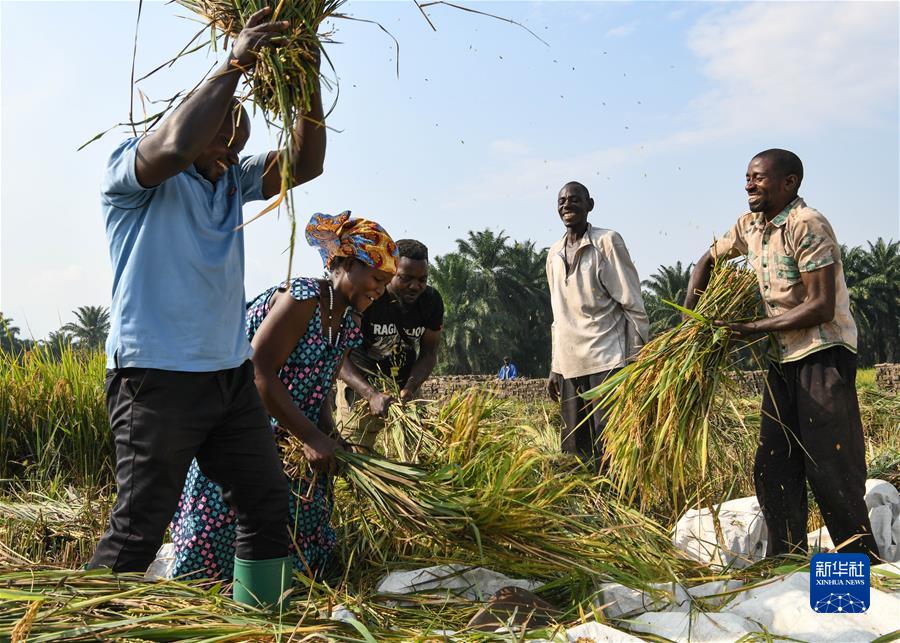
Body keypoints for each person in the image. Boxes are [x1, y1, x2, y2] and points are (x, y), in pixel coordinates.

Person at [90, 7, 326, 607]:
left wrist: (304, 71)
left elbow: (307, 162)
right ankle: (83, 620)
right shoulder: (133, 171)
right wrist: (237, 60)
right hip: (156, 377)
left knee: (267, 502)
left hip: (227, 379)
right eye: (222, 139)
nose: (228, 154)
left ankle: (256, 618)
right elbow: (173, 144)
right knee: (141, 523)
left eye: (236, 144)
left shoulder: (227, 181)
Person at [171, 212, 397, 582]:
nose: (380, 290)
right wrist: (308, 436)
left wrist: (327, 432)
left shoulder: (349, 321)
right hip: (244, 426)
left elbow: (320, 382)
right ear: (347, 264)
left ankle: (281, 594)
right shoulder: (304, 298)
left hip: (289, 430)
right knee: (225, 531)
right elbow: (258, 371)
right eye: (376, 278)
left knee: (298, 530)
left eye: (385, 283)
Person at [683, 149, 879, 561]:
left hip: (822, 356)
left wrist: (751, 329)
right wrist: (693, 321)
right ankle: (785, 565)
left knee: (831, 469)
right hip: (782, 359)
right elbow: (707, 259)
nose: (749, 185)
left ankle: (858, 574)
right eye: (747, 177)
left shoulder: (806, 224)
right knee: (774, 465)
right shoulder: (750, 225)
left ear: (789, 183)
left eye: (758, 178)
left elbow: (821, 305)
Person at [546, 181, 649, 468]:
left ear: (590, 205)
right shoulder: (553, 254)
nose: (567, 205)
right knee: (575, 452)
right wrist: (555, 366)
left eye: (575, 200)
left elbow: (632, 303)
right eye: (562, 201)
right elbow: (559, 315)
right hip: (570, 366)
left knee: (612, 448)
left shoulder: (607, 242)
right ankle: (589, 509)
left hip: (607, 362)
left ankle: (621, 506)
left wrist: (636, 360)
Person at [336, 239, 444, 451]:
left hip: (404, 384)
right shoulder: (369, 296)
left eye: (422, 280)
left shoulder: (430, 301)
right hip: (361, 382)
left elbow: (429, 352)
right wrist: (371, 394)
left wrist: (410, 389)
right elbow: (340, 358)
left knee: (420, 451)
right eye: (405, 278)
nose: (415, 286)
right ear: (391, 270)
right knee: (356, 453)